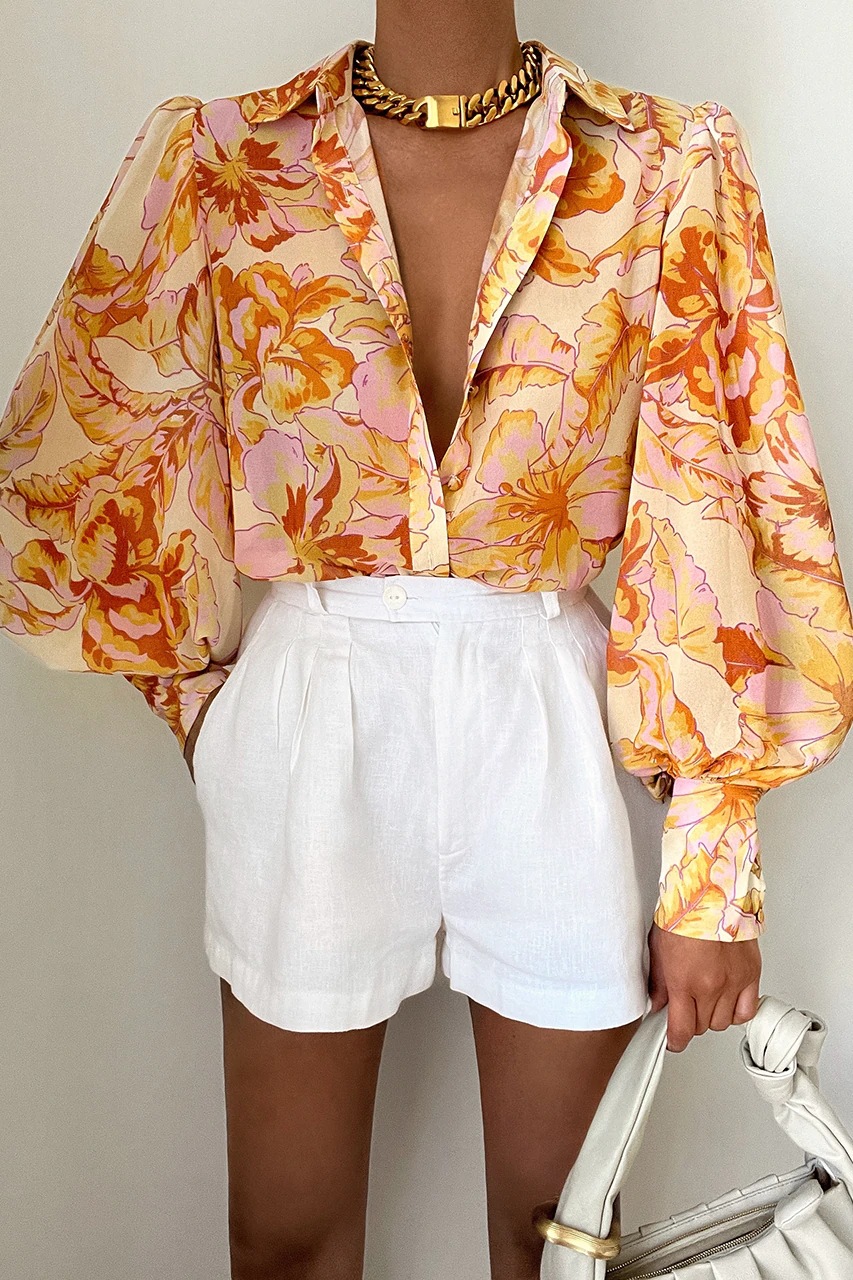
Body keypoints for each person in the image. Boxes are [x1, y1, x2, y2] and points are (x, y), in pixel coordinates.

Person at [2, 2, 852, 1277]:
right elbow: (77, 464)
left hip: (544, 700)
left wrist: (710, 863)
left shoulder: (665, 163)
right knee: (284, 1238)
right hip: (312, 701)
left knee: (559, 1241)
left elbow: (721, 499)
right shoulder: (221, 159)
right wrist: (212, 714)